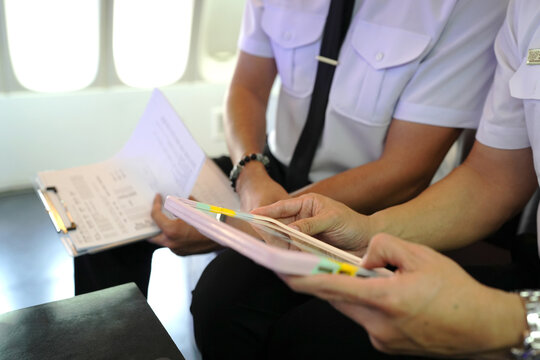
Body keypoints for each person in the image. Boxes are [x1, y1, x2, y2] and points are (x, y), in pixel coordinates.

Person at [159, 0, 509, 358]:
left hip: (372, 196)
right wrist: (250, 176)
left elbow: (405, 170)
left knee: (221, 303)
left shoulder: (468, 6)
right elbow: (247, 86)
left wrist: (248, 224)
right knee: (132, 218)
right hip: (267, 169)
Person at [252, 0, 540, 357]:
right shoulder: (528, 11)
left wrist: (510, 323)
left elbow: (406, 168)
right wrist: (368, 231)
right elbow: (493, 176)